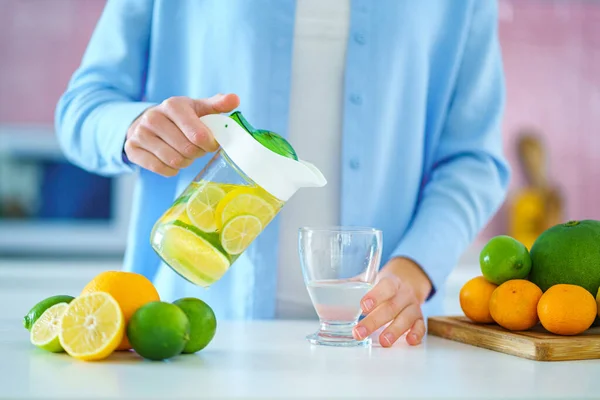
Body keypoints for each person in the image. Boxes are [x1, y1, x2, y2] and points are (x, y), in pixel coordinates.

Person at [55, 0, 510, 348]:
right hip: (191, 333)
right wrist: (135, 128)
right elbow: (83, 107)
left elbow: (474, 159)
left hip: (382, 342)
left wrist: (413, 270)